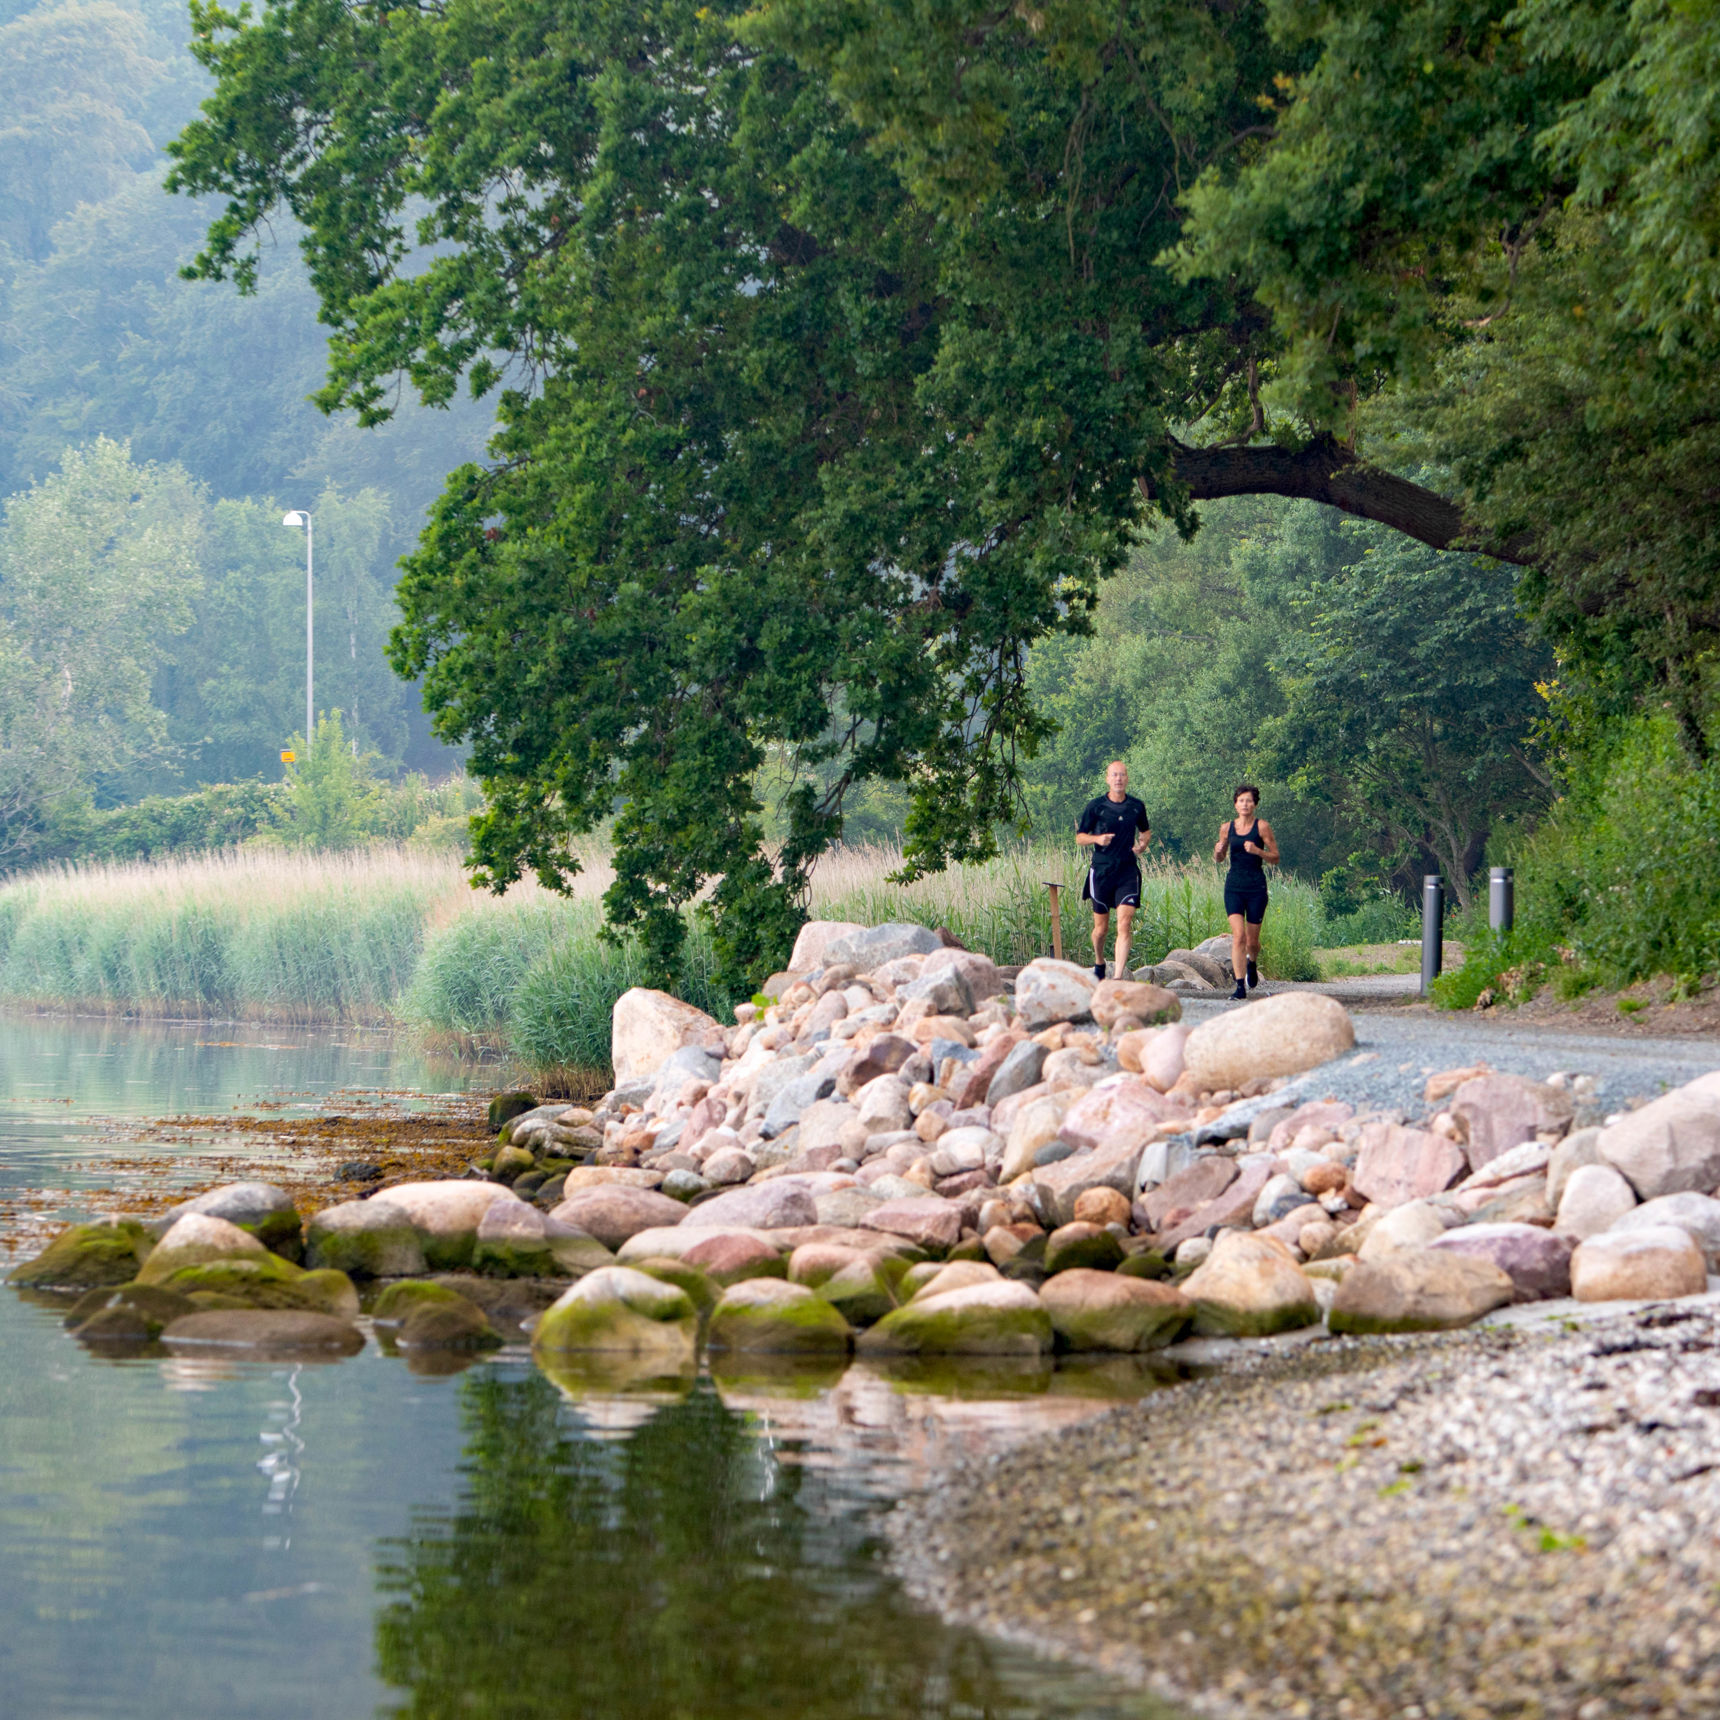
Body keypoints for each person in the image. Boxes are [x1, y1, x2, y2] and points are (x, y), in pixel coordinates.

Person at [1076, 760, 1151, 979]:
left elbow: (1146, 831)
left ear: (1127, 778)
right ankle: (1099, 960)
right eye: (1114, 775)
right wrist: (1098, 838)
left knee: (1125, 923)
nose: (1118, 779)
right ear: (1107, 779)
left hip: (1127, 871)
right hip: (1101, 871)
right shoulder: (1096, 806)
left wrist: (1143, 844)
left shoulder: (1136, 806)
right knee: (1101, 929)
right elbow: (1080, 837)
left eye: (1122, 775)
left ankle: (1117, 977)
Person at [1212, 784, 1278, 1001]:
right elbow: (1219, 858)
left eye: (1249, 800)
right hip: (1234, 886)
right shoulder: (1227, 828)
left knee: (1252, 941)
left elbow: (1275, 857)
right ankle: (1239, 987)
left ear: (1255, 804)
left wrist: (1258, 851)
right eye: (1241, 800)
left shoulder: (1262, 827)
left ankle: (1252, 961)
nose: (1245, 804)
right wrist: (1218, 852)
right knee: (1238, 936)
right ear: (1235, 804)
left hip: (1256, 887)